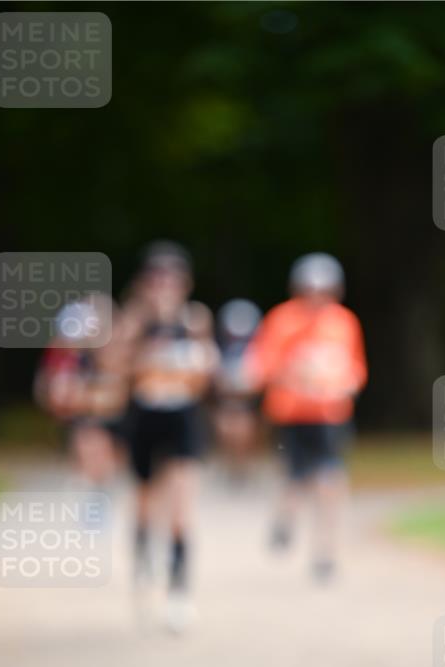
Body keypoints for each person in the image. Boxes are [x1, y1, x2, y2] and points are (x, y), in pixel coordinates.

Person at [244, 252, 368, 580]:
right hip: (292, 414)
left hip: (330, 414)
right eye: (310, 290)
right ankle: (285, 519)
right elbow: (261, 367)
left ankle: (325, 552)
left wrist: (345, 382)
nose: (317, 298)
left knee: (331, 480)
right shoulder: (282, 320)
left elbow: (356, 368)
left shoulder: (344, 322)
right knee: (295, 478)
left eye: (324, 290)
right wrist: (297, 374)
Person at [124, 241, 217, 632]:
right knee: (146, 497)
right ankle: (143, 549)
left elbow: (208, 370)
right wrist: (143, 329)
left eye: (171, 279)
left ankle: (179, 592)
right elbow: (116, 366)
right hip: (145, 416)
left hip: (182, 416)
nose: (164, 286)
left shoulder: (196, 320)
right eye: (156, 278)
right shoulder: (133, 320)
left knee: (181, 505)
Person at [35, 294, 129, 490]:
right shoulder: (66, 354)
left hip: (112, 418)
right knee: (88, 438)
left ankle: (98, 487)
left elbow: (118, 394)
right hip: (86, 419)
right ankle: (91, 489)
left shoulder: (119, 351)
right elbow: (50, 391)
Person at [213, 298, 262, 480]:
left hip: (246, 404)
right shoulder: (222, 349)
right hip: (226, 402)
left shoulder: (256, 351)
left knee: (244, 435)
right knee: (225, 433)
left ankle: (243, 470)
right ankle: (229, 467)